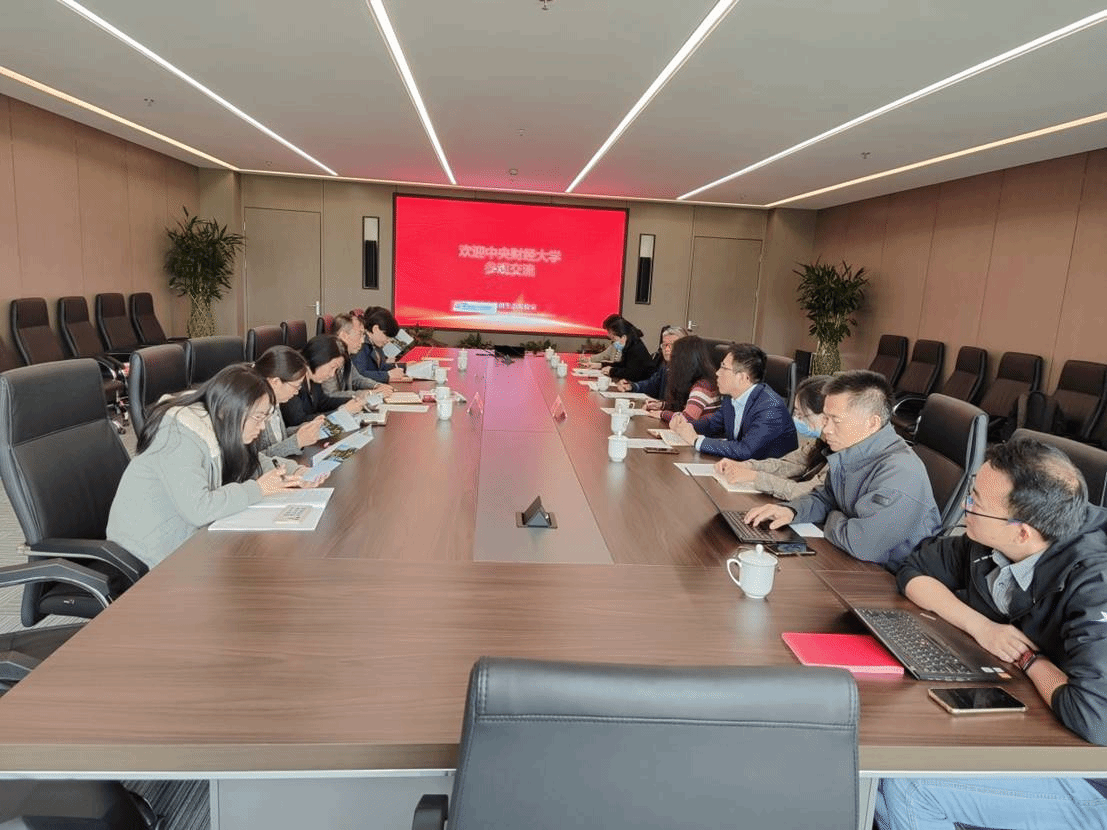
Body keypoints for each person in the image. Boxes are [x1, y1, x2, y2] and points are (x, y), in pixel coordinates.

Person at [876, 437, 1107, 829]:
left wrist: (1029, 659)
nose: (965, 507)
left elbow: (1094, 718)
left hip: (1091, 774)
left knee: (910, 788)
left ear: (1022, 532)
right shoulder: (995, 539)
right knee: (867, 778)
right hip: (1036, 724)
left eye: (976, 503)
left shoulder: (1096, 580)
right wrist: (982, 627)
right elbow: (914, 570)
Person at [106, 364, 303, 569]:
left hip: (192, 542)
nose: (262, 426)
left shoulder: (219, 423)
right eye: (258, 417)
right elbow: (199, 509)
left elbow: (251, 460)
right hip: (149, 557)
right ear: (228, 410)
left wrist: (295, 471)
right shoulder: (178, 436)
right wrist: (259, 489)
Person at [744, 369, 940, 571]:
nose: (826, 429)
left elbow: (862, 544)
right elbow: (825, 497)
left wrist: (832, 515)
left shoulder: (900, 474)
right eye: (825, 419)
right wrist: (791, 511)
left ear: (872, 423)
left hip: (893, 577)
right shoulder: (851, 452)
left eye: (836, 420)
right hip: (854, 561)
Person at [669, 342, 796, 461]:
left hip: (767, 472)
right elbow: (712, 425)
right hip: (739, 466)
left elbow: (746, 450)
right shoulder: (731, 398)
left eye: (723, 368)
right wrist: (685, 425)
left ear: (742, 377)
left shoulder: (770, 407)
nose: (717, 373)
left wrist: (696, 441)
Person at [714, 374, 831, 500]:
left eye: (802, 415)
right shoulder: (819, 444)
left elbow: (809, 493)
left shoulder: (841, 456)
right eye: (796, 413)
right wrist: (746, 466)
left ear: (826, 415)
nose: (797, 419)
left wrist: (755, 477)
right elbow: (788, 465)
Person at [253, 345, 326, 461]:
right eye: (296, 386)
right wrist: (297, 442)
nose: (297, 392)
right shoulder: (252, 411)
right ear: (275, 382)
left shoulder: (274, 399)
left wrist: (301, 430)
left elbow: (279, 437)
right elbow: (255, 461)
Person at [281, 335, 368, 428]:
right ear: (319, 359)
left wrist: (352, 399)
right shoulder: (292, 380)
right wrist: (342, 412)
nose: (332, 375)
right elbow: (299, 421)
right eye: (332, 367)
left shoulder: (313, 377)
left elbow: (323, 402)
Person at [650, 334, 720, 423]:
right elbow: (684, 406)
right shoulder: (700, 381)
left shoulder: (702, 387)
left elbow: (686, 419)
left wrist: (662, 414)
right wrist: (662, 405)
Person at [327, 313, 393, 399]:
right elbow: (333, 395)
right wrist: (369, 393)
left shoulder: (345, 355)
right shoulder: (327, 359)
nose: (362, 341)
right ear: (344, 335)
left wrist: (377, 386)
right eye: (359, 334)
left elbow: (357, 379)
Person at [613, 325, 686, 399]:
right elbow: (651, 385)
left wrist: (662, 405)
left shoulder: (687, 371)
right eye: (664, 345)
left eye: (672, 345)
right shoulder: (665, 366)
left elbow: (680, 403)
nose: (667, 349)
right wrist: (631, 386)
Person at [355, 307, 407, 384]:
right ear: (375, 329)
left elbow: (381, 368)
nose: (388, 341)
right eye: (386, 336)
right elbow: (360, 374)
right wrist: (387, 375)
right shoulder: (360, 345)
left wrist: (405, 367)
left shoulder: (376, 345)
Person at [599, 317, 657, 382]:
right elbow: (623, 365)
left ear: (623, 337)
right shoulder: (630, 345)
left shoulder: (635, 348)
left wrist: (611, 371)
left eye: (614, 340)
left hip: (643, 384)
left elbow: (631, 373)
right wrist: (603, 365)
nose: (614, 343)